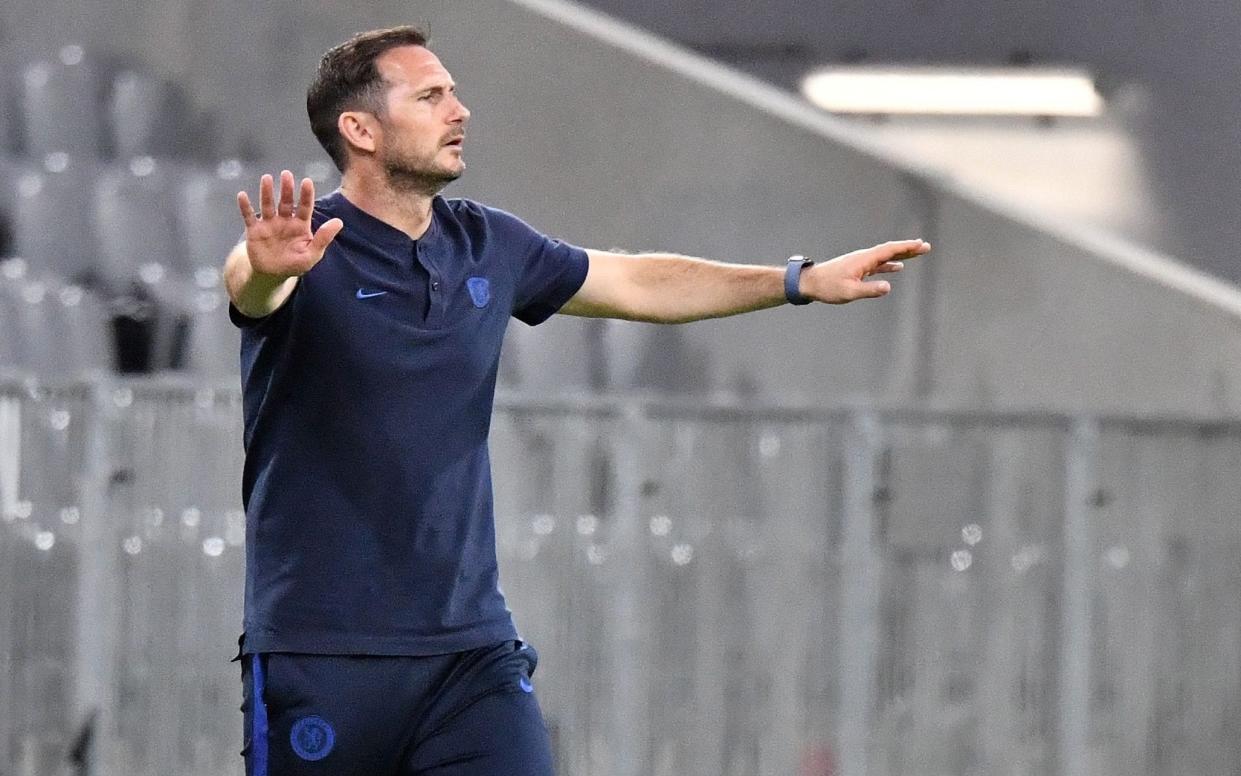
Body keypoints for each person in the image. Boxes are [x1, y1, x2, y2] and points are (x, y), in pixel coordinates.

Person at [223, 25, 930, 776]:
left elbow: (633, 282)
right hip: (320, 651)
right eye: (430, 96)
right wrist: (267, 268)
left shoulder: (488, 242)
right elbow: (251, 285)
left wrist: (797, 281)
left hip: (470, 653)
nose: (459, 110)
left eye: (454, 92)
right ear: (360, 129)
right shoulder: (303, 248)